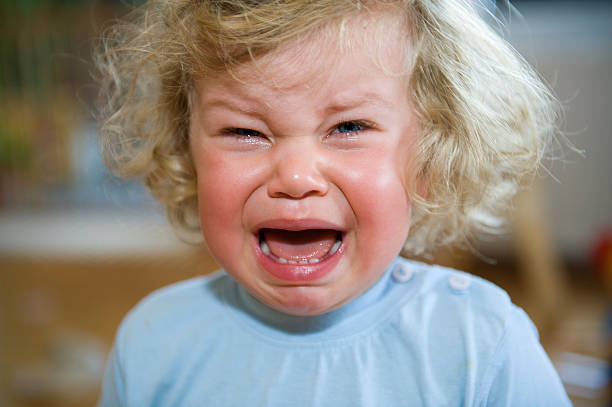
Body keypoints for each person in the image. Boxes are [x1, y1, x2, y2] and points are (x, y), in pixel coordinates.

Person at [96, 0, 571, 405]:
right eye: (244, 131)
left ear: (430, 158)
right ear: (187, 152)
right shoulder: (152, 346)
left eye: (348, 128)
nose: (296, 177)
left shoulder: (483, 344)